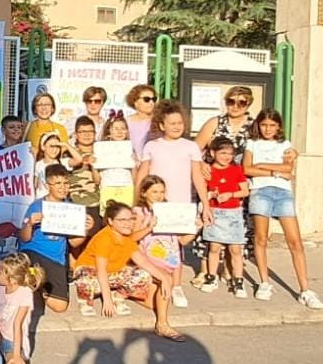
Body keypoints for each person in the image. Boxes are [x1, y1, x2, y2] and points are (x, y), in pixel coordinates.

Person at [243, 109, 323, 308]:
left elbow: (289, 168)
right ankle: (264, 282)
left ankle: (305, 289)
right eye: (264, 125)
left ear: (278, 126)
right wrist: (272, 169)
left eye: (272, 125)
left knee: (295, 241)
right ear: (258, 125)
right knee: (261, 238)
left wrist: (262, 166)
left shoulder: (285, 145)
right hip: (260, 191)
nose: (268, 129)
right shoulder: (252, 143)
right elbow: (247, 168)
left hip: (283, 193)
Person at [73, 203, 184, 341]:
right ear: (110, 221)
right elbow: (101, 269)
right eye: (123, 220)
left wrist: (164, 277)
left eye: (131, 219)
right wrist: (106, 301)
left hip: (113, 273)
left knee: (144, 274)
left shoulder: (127, 239)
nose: (129, 223)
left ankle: (119, 295)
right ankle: (86, 300)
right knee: (86, 279)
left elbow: (142, 262)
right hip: (92, 271)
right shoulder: (104, 237)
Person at [191, 86, 256, 287]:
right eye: (231, 101)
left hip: (239, 182)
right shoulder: (215, 123)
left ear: (248, 104)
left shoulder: (253, 126)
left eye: (241, 102)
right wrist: (202, 163)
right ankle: (205, 271)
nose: (235, 106)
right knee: (210, 224)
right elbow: (195, 148)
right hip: (215, 179)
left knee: (238, 228)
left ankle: (230, 269)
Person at [18, 164, 92, 314]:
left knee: (60, 307)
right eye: (57, 183)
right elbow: (24, 238)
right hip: (35, 252)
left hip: (56, 259)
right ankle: (29, 279)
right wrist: (30, 224)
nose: (63, 187)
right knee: (30, 266)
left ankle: (39, 287)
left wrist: (85, 230)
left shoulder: (71, 208)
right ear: (47, 185)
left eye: (66, 183)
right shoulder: (36, 206)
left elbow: (73, 242)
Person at [136, 101, 211, 232]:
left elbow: (197, 177)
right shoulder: (151, 145)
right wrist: (137, 200)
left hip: (181, 204)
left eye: (180, 123)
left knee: (177, 244)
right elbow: (142, 175)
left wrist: (206, 204)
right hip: (155, 203)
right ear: (162, 126)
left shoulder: (191, 146)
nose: (177, 127)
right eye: (172, 123)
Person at [132, 176, 198, 309]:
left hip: (170, 259)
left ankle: (176, 288)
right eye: (154, 192)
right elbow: (132, 238)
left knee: (164, 297)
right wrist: (148, 228)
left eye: (162, 192)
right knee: (153, 304)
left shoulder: (170, 211)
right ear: (144, 193)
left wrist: (196, 228)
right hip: (149, 261)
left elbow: (182, 240)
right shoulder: (139, 212)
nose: (159, 196)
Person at [200, 138, 251, 297]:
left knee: (235, 248)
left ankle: (238, 280)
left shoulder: (236, 170)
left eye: (230, 153)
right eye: (223, 153)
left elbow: (245, 191)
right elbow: (202, 191)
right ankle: (211, 277)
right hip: (215, 212)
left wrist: (231, 194)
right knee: (214, 247)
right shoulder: (208, 171)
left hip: (233, 212)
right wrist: (211, 195)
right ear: (213, 153)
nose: (226, 157)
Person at [98, 113, 136, 213]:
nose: (120, 131)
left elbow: (134, 178)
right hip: (108, 188)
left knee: (125, 217)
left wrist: (134, 163)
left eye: (123, 128)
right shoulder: (101, 150)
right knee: (109, 219)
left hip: (127, 189)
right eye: (116, 129)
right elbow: (97, 178)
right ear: (108, 132)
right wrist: (94, 163)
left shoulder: (131, 150)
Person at [124, 84, 158, 158]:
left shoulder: (159, 121)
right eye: (147, 99)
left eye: (154, 99)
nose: (151, 102)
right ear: (135, 102)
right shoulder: (126, 122)